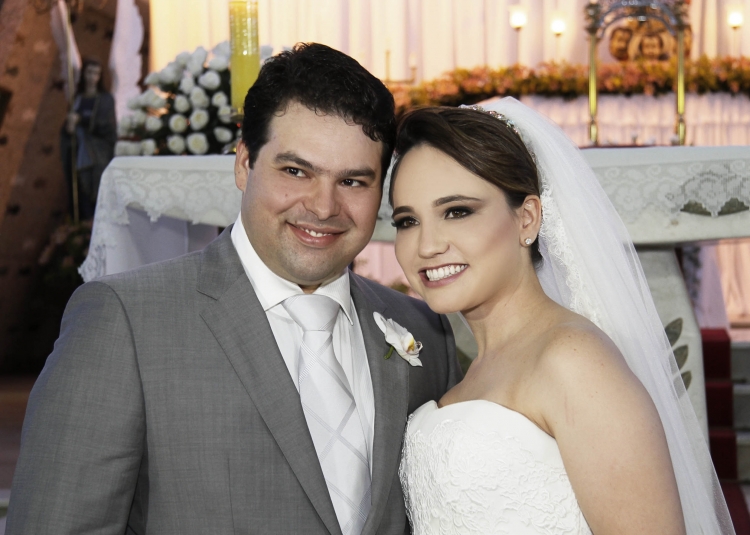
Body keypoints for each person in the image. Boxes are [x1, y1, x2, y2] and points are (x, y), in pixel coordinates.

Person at [7, 43, 461, 535]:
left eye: (353, 181)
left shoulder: (423, 331)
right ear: (244, 163)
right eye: (295, 171)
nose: (323, 206)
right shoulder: (124, 323)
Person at [391, 100, 734, 534]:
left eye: (457, 211)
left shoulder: (573, 360)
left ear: (527, 219)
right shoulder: (476, 368)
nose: (427, 245)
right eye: (407, 221)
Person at [60, 57, 117, 220]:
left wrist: (81, 120)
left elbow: (108, 127)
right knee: (78, 190)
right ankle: (81, 224)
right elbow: (67, 128)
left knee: (94, 189)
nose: (92, 77)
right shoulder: (77, 99)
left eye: (96, 73)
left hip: (98, 154)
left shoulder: (106, 99)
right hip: (78, 152)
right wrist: (69, 128)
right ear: (84, 74)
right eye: (89, 72)